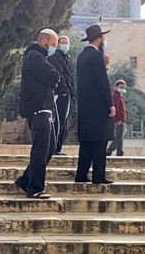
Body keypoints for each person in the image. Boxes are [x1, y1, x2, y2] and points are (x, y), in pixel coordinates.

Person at [15, 29, 60, 199]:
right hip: (38, 109)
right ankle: (34, 188)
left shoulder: (40, 57)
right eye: (53, 44)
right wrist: (55, 75)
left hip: (44, 109)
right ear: (43, 41)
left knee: (50, 147)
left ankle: (25, 180)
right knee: (41, 150)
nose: (54, 48)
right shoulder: (35, 57)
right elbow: (53, 77)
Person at [75, 25, 115, 184]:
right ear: (99, 38)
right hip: (98, 106)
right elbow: (102, 82)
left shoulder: (82, 55)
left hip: (85, 105)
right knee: (100, 140)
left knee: (87, 141)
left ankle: (81, 174)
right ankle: (99, 175)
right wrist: (110, 104)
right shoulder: (96, 55)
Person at [48, 36, 75, 155]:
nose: (65, 45)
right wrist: (63, 89)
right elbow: (58, 74)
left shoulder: (64, 58)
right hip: (61, 93)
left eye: (67, 43)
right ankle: (54, 148)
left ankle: (57, 147)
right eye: (63, 43)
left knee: (63, 121)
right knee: (59, 121)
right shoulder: (56, 57)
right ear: (58, 44)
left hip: (66, 93)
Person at [107, 79, 128, 156]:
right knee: (118, 137)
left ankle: (120, 151)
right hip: (118, 120)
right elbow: (116, 108)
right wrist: (119, 119)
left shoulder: (120, 96)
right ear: (116, 87)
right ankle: (109, 150)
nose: (123, 89)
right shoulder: (115, 96)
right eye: (121, 87)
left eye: (124, 87)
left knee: (120, 136)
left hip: (121, 119)